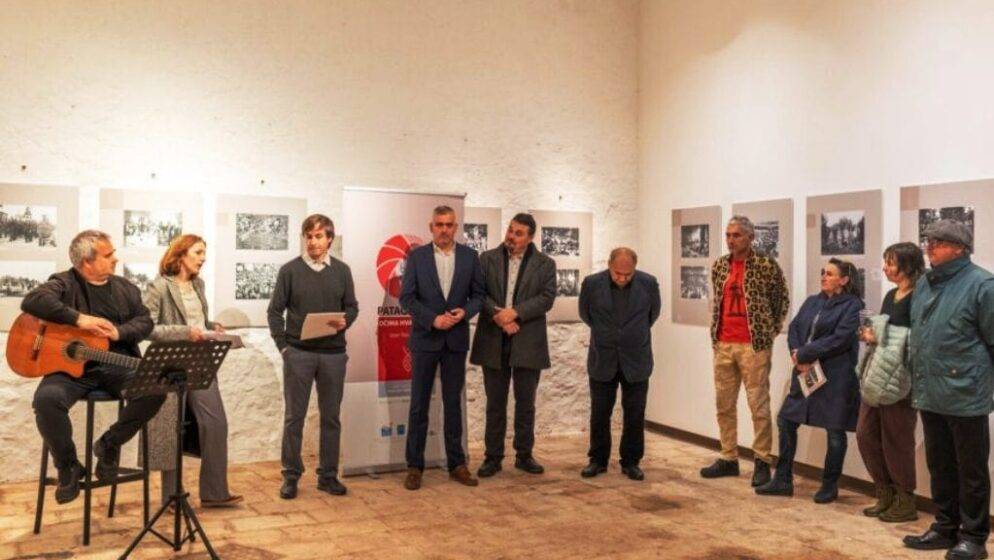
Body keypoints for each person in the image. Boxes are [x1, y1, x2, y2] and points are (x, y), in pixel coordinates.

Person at [24, 230, 165, 504]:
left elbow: (145, 322)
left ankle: (109, 444)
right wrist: (79, 320)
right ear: (87, 261)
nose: (115, 259)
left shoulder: (126, 288)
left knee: (155, 388)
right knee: (46, 400)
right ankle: (68, 466)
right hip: (69, 371)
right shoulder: (63, 282)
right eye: (108, 254)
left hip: (117, 365)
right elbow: (33, 301)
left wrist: (119, 332)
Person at [902, 220, 994, 560]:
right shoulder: (925, 284)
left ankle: (973, 537)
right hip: (929, 391)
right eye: (929, 240)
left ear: (960, 248)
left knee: (971, 471)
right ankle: (945, 527)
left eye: (939, 242)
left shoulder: (982, 285)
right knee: (939, 465)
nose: (930, 246)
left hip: (966, 394)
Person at [143, 234, 242, 508]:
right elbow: (148, 329)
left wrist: (211, 326)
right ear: (181, 254)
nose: (203, 258)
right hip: (171, 365)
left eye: (203, 253)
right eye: (198, 252)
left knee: (216, 424)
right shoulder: (158, 287)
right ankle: (171, 498)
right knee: (171, 429)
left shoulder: (199, 284)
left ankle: (214, 493)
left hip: (201, 362)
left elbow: (198, 320)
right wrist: (186, 332)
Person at [756, 258, 863, 503]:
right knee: (786, 420)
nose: (824, 276)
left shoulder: (854, 305)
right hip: (806, 372)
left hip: (836, 377)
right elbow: (794, 328)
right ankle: (782, 479)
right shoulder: (813, 301)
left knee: (835, 431)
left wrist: (805, 353)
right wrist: (797, 356)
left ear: (844, 280)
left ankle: (830, 485)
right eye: (823, 272)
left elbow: (840, 339)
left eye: (830, 274)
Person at [268, 214, 358, 499]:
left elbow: (352, 307)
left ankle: (328, 476)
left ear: (329, 239)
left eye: (318, 236)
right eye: (308, 236)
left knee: (331, 418)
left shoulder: (342, 271)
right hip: (299, 354)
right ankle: (291, 476)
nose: (313, 241)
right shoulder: (290, 271)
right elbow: (274, 312)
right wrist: (284, 347)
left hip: (333, 355)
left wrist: (346, 320)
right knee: (294, 418)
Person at [400, 205, 485, 490]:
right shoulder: (417, 257)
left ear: (456, 227)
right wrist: (432, 319)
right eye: (439, 224)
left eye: (449, 225)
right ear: (431, 227)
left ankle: (457, 464)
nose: (444, 229)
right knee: (418, 405)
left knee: (453, 404)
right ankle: (414, 466)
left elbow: (479, 296)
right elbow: (407, 298)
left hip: (455, 341)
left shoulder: (470, 257)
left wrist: (465, 312)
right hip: (425, 338)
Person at [701, 216, 790, 487]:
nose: (731, 240)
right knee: (724, 404)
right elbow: (717, 301)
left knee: (758, 405)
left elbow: (781, 301)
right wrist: (717, 337)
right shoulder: (720, 266)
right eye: (728, 235)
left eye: (737, 235)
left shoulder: (765, 265)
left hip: (753, 346)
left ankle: (762, 459)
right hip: (723, 344)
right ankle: (728, 456)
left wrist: (768, 332)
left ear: (750, 237)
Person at [470, 213, 556, 477]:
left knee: (526, 403)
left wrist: (515, 313)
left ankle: (524, 455)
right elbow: (478, 293)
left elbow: (547, 298)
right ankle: (493, 457)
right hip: (493, 338)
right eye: (510, 230)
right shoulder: (487, 259)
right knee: (495, 403)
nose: (511, 236)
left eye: (518, 233)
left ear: (530, 238)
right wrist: (499, 317)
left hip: (527, 339)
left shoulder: (545, 264)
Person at [578, 248, 661, 480]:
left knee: (635, 413)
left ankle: (631, 461)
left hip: (636, 359)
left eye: (628, 274)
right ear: (609, 265)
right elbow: (585, 314)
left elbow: (652, 315)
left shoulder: (649, 284)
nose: (622, 278)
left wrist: (629, 335)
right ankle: (598, 460)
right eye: (617, 274)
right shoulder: (592, 284)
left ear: (635, 268)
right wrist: (610, 334)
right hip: (603, 357)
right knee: (599, 412)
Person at [855, 242, 924, 522]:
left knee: (897, 440)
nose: (885, 268)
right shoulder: (890, 295)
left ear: (907, 265)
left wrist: (881, 335)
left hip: (901, 380)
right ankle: (884, 492)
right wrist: (872, 335)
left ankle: (905, 500)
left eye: (891, 262)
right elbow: (885, 332)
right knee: (866, 435)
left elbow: (918, 336)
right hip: (877, 376)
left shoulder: (920, 295)